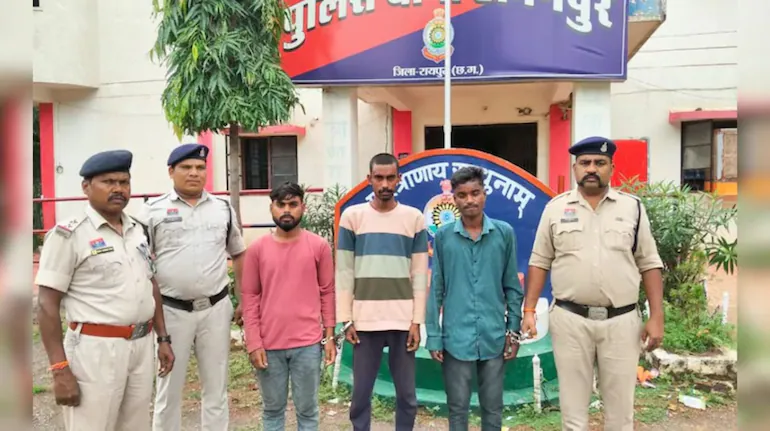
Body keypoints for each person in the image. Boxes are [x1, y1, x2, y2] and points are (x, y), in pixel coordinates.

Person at [522, 136, 664, 431]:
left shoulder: (632, 208)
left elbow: (649, 263)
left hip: (621, 321)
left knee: (620, 413)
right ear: (575, 168)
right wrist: (530, 310)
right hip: (570, 321)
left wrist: (657, 316)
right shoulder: (555, 208)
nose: (591, 169)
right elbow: (539, 261)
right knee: (573, 412)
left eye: (600, 163)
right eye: (585, 163)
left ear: (611, 168)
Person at [35, 150, 174, 431]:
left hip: (140, 345)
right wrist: (59, 369)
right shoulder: (69, 235)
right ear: (86, 187)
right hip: (95, 350)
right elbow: (47, 304)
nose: (118, 189)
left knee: (135, 425)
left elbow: (150, 284)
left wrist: (163, 338)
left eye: (124, 182)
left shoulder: (137, 230)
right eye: (109, 182)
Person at [140, 143, 247, 431]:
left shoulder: (222, 209)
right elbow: (140, 263)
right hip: (171, 311)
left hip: (215, 309)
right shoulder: (152, 211)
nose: (194, 173)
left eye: (200, 168)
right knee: (168, 388)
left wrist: (242, 299)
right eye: (186, 167)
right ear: (171, 171)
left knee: (216, 387)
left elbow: (238, 252)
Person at [426, 166, 524, 430]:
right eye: (462, 195)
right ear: (454, 199)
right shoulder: (444, 236)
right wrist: (434, 335)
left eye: (475, 193)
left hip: (493, 336)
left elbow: (512, 286)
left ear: (484, 194)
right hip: (455, 338)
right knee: (457, 408)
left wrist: (513, 332)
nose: (469, 200)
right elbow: (437, 288)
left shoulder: (503, 233)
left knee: (492, 408)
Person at [336, 153, 429, 431]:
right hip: (364, 321)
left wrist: (417, 321)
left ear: (399, 179)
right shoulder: (352, 217)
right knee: (360, 396)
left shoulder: (414, 218)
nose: (385, 184)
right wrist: (346, 319)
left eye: (390, 178)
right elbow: (344, 272)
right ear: (369, 179)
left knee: (407, 398)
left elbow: (419, 274)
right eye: (379, 178)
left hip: (402, 321)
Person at [241, 182, 336, 431]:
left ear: (302, 207)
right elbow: (250, 297)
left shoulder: (318, 246)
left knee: (308, 412)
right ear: (271, 207)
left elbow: (327, 292)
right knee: (273, 411)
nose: (286, 210)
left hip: (308, 345)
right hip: (269, 346)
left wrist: (329, 337)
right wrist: (254, 342)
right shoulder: (257, 250)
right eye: (280, 204)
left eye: (293, 204)